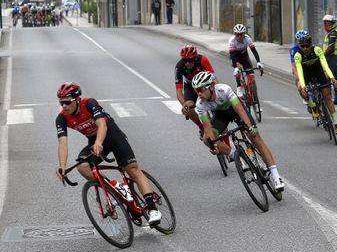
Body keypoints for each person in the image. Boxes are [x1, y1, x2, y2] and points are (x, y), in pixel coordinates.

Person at [55, 82, 162, 225]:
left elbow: (102, 125)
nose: (64, 106)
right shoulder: (61, 118)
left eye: (67, 102)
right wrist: (62, 165)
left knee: (132, 170)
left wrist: (99, 143)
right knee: (83, 166)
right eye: (61, 103)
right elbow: (63, 143)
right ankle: (116, 188)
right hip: (95, 141)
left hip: (112, 134)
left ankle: (153, 209)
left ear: (77, 100)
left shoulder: (89, 103)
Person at [192, 72, 285, 191]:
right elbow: (207, 127)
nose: (198, 93)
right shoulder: (200, 104)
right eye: (196, 90)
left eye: (200, 89)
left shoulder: (224, 90)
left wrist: (250, 127)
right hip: (221, 116)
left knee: (255, 138)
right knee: (207, 139)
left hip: (235, 110)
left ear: (210, 87)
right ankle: (236, 154)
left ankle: (276, 176)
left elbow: (239, 108)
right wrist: (213, 145)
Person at [293, 30, 337, 134]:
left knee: (327, 96)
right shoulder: (298, 55)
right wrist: (303, 86)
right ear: (300, 46)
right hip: (306, 74)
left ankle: (336, 122)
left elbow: (325, 65)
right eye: (303, 46)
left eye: (307, 46)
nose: (305, 48)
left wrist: (332, 78)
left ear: (311, 44)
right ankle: (313, 106)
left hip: (318, 72)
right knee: (302, 91)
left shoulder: (317, 50)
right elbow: (300, 72)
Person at [175, 45, 216, 140]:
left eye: (190, 60)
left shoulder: (203, 60)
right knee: (188, 109)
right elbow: (178, 91)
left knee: (214, 102)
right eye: (185, 61)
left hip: (204, 84)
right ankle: (202, 127)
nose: (188, 63)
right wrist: (184, 105)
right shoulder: (179, 67)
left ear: (194, 58)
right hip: (190, 86)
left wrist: (214, 94)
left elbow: (214, 79)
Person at [228, 23, 263, 97]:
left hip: (244, 56)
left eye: (241, 34)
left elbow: (254, 51)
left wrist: (258, 62)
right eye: (238, 35)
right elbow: (232, 55)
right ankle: (239, 86)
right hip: (235, 57)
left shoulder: (247, 38)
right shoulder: (232, 41)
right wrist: (235, 68)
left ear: (244, 34)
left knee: (251, 76)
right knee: (238, 70)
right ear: (235, 34)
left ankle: (254, 97)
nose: (240, 36)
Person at [322, 14, 337, 105]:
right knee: (335, 78)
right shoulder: (331, 33)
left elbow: (330, 48)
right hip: (335, 58)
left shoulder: (333, 34)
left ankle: (329, 98)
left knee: (328, 77)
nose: (326, 25)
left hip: (332, 58)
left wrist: (322, 56)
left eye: (328, 23)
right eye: (325, 23)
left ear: (333, 24)